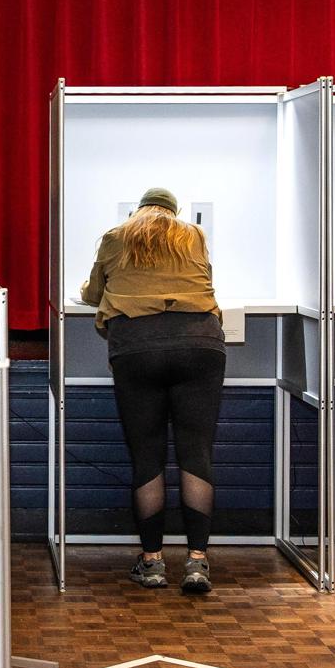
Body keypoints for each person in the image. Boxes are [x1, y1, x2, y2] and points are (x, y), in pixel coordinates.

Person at [80, 188, 224, 595]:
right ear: (173, 212)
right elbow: (205, 281)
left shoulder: (115, 237)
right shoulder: (191, 235)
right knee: (197, 451)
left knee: (148, 454)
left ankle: (153, 562)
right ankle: (197, 562)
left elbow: (92, 294)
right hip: (199, 343)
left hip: (137, 347)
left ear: (138, 211)